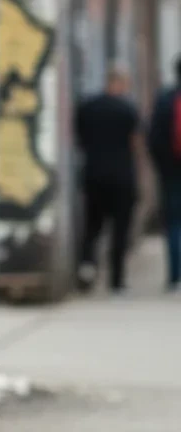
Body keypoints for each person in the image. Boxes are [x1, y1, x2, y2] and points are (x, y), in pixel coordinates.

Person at [74, 66, 142, 293]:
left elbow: (80, 140)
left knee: (92, 226)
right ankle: (117, 280)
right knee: (120, 231)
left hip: (94, 174)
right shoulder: (128, 110)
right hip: (122, 177)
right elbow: (135, 145)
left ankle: (86, 266)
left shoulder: (87, 108)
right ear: (121, 83)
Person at [146, 53, 181, 290]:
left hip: (172, 173)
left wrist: (163, 167)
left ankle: (174, 277)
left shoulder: (166, 99)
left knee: (174, 223)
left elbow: (154, 139)